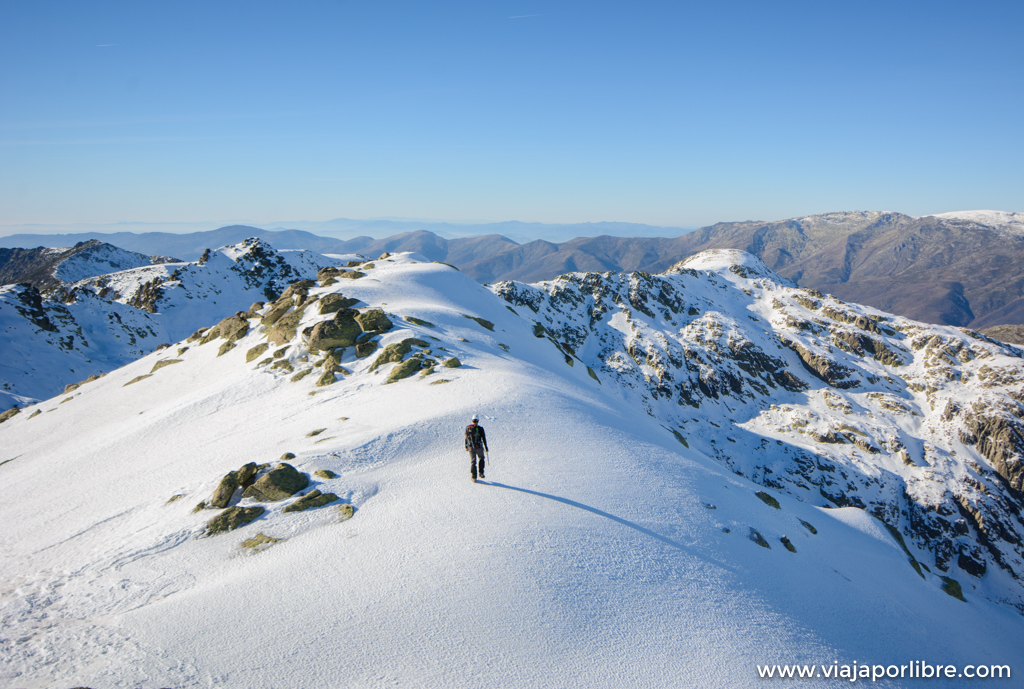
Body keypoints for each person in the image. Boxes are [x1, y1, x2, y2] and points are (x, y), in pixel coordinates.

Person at [465, 414, 488, 482]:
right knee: (481, 458)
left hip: (470, 448)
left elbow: (466, 438)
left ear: (472, 421)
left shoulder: (468, 428)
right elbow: (483, 438)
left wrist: (466, 446)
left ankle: (473, 476)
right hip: (479, 447)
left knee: (473, 462)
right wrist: (486, 447)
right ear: (478, 421)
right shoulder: (480, 428)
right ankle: (481, 473)